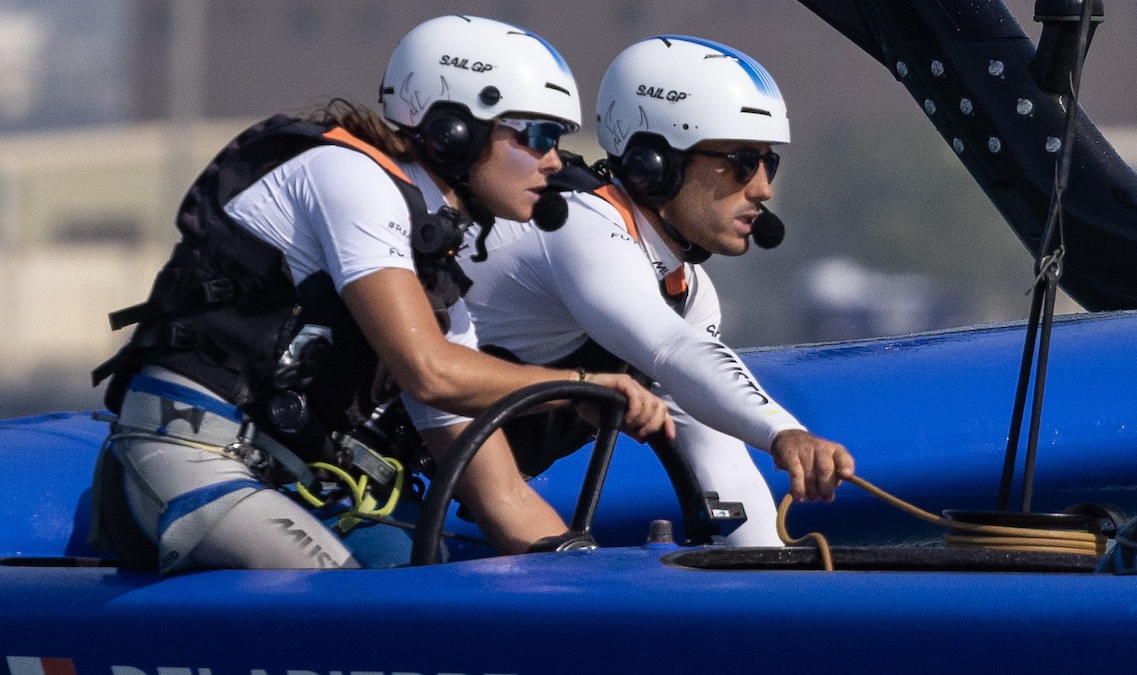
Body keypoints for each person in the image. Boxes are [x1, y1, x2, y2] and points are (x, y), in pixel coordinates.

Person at [87, 15, 672, 574]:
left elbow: (500, 496)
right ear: (454, 133)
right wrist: (579, 388)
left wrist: (578, 583)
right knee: (347, 603)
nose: (553, 161)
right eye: (538, 135)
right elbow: (429, 373)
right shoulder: (349, 178)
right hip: (184, 459)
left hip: (288, 485)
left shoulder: (438, 285)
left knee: (423, 567)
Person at [461, 35, 853, 546]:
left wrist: (773, 586)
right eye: (741, 162)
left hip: (451, 492)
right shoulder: (580, 225)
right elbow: (672, 349)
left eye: (767, 163)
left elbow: (718, 458)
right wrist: (784, 431)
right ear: (655, 164)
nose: (763, 188)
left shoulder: (686, 293)